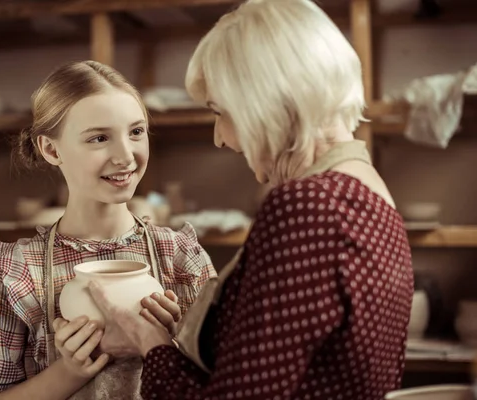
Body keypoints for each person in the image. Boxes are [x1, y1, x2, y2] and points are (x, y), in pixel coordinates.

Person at [87, 1, 414, 399]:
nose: (219, 137)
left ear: (265, 104)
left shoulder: (309, 206)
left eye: (220, 112)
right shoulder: (369, 192)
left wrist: (149, 341)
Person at [0, 60, 216, 400]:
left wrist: (168, 345)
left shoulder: (182, 257)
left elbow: (228, 385)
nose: (126, 156)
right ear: (51, 149)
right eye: (99, 138)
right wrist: (71, 371)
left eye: (136, 132)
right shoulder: (19, 270)